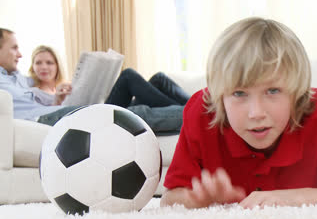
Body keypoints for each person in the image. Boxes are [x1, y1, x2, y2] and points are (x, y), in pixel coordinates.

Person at [160, 17, 317, 209]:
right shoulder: (201, 112)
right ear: (220, 95)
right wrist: (202, 200)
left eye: (273, 91)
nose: (256, 113)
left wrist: (292, 197)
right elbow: (168, 200)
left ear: (296, 91)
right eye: (239, 93)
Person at [0, 28, 186, 135]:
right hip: (47, 119)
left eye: (49, 63)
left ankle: (198, 108)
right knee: (133, 114)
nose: (20, 55)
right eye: (14, 48)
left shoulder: (15, 77)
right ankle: (199, 114)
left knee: (154, 83)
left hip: (57, 112)